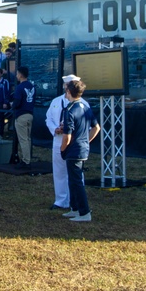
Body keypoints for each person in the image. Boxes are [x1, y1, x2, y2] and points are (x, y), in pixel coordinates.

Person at [58, 76, 101, 222]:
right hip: (82, 148)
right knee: (73, 180)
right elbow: (96, 127)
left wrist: (63, 149)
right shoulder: (85, 107)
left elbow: (67, 136)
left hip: (74, 150)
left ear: (69, 91)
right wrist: (85, 141)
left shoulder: (69, 110)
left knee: (76, 182)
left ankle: (84, 212)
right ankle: (75, 208)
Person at [46, 75, 91, 210]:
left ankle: (76, 202)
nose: (66, 87)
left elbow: (89, 125)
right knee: (59, 171)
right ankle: (61, 200)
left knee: (76, 174)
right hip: (58, 140)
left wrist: (82, 140)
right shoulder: (55, 101)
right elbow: (48, 119)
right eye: (66, 85)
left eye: (69, 85)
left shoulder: (83, 104)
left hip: (74, 142)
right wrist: (55, 129)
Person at [11, 66, 36, 168]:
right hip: (30, 114)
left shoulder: (20, 87)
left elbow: (17, 101)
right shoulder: (32, 86)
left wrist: (12, 105)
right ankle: (27, 158)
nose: (16, 75)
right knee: (28, 139)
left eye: (17, 74)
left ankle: (26, 161)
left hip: (21, 115)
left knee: (23, 139)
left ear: (20, 75)